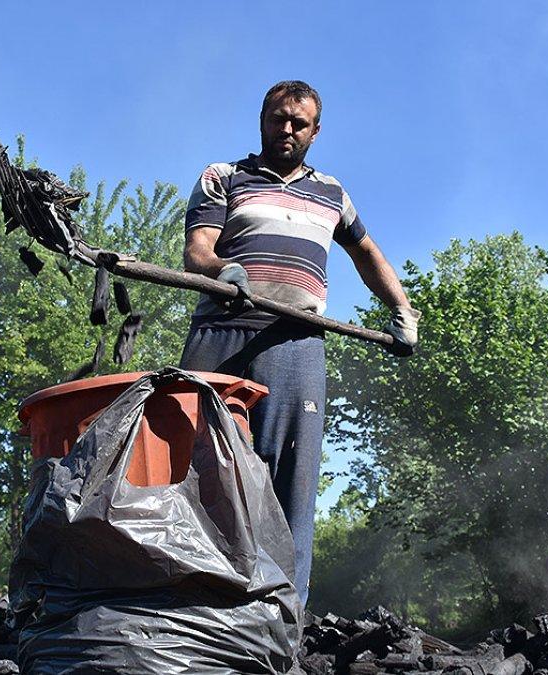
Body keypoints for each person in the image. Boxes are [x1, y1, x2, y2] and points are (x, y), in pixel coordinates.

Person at [178, 80, 420, 605]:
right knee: (200, 468)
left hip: (297, 344)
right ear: (261, 119)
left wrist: (401, 309)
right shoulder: (223, 177)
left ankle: (284, 617)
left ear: (315, 131)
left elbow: (367, 254)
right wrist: (225, 269)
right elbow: (196, 251)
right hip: (222, 334)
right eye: (277, 118)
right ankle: (191, 607)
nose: (286, 129)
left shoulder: (333, 194)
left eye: (299, 122)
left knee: (293, 478)